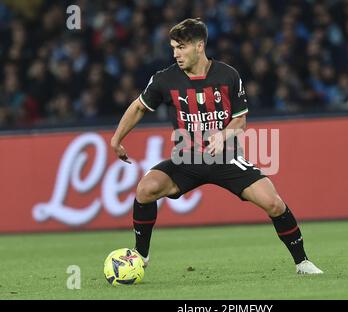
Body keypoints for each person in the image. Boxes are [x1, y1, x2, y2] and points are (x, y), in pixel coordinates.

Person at [110, 18, 323, 275]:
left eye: (181, 47)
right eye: (173, 48)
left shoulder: (228, 75)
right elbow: (138, 107)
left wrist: (224, 134)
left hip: (226, 157)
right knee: (146, 189)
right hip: (186, 159)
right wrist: (116, 139)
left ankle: (302, 262)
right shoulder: (164, 79)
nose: (176, 53)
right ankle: (141, 256)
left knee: (274, 203)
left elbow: (241, 120)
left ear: (199, 46)